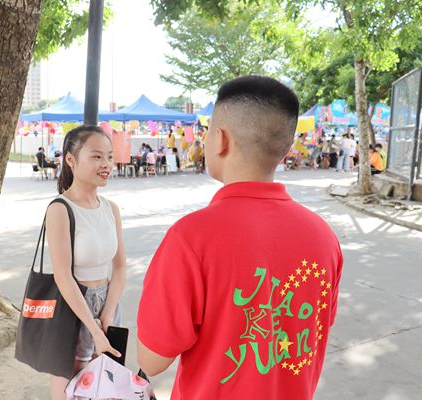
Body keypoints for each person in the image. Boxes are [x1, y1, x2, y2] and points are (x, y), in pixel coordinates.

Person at [137, 76, 343, 399]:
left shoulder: (190, 238)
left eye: (207, 131)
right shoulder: (324, 238)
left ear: (220, 139)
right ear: (285, 149)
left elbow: (151, 359)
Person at [46, 125, 126, 399]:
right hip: (73, 307)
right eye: (96, 156)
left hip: (108, 304)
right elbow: (63, 276)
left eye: (110, 157)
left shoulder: (111, 209)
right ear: (71, 159)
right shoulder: (60, 209)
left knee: (106, 387)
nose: (106, 164)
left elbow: (119, 267)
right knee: (72, 389)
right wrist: (93, 329)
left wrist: (108, 314)